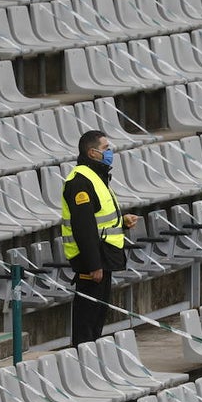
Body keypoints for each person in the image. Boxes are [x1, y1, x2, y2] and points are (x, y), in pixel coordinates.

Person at [61, 130, 138, 346]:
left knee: (98, 317)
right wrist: (94, 264)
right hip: (91, 261)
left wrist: (122, 221)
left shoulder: (97, 177)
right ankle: (82, 362)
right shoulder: (79, 182)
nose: (110, 152)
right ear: (92, 152)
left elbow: (97, 219)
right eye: (106, 148)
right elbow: (83, 227)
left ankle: (91, 360)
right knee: (87, 320)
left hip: (103, 256)